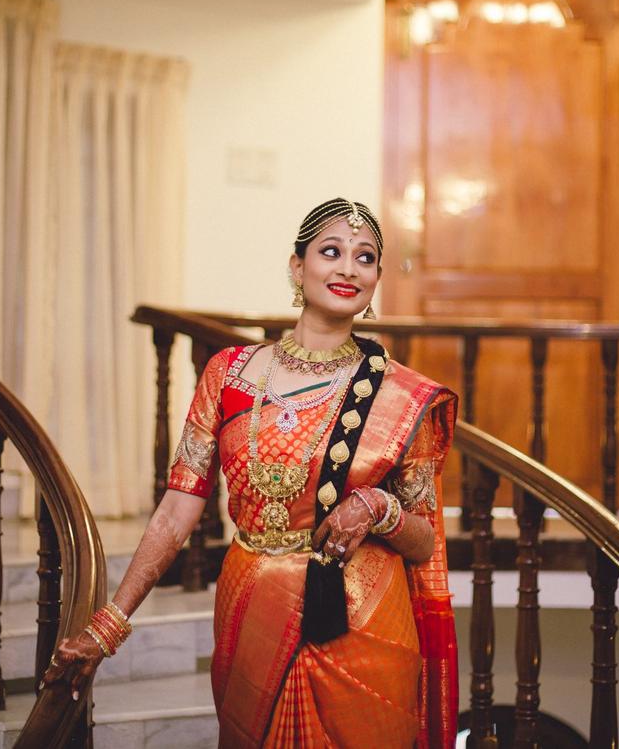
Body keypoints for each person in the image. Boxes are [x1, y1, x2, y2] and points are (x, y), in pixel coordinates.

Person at [40, 197, 459, 747]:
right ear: (297, 265)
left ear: (377, 278)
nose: (348, 269)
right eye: (330, 251)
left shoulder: (401, 396)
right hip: (248, 604)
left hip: (359, 620)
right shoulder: (229, 374)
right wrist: (110, 624)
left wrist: (377, 508)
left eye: (365, 258)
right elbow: (175, 513)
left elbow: (424, 542)